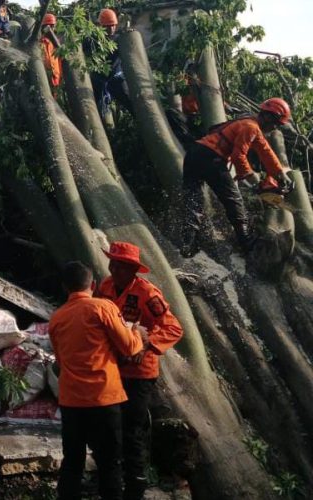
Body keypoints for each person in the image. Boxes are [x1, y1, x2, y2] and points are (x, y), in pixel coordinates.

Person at [95, 242, 184, 500]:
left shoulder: (147, 293)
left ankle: (136, 487)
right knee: (110, 427)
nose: (114, 268)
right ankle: (111, 483)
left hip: (139, 373)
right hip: (112, 368)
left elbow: (173, 327)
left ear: (133, 269)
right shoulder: (106, 287)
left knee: (133, 430)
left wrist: (145, 343)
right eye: (113, 263)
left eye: (121, 266)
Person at [49, 261, 143, 500]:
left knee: (72, 462)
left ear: (64, 287)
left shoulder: (57, 319)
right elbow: (130, 347)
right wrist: (138, 333)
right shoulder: (103, 307)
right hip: (104, 398)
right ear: (92, 284)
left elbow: (60, 363)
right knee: (109, 463)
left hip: (71, 402)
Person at [180, 97, 294, 257]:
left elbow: (265, 151)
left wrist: (280, 173)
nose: (275, 127)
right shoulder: (250, 127)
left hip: (195, 153)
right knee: (234, 201)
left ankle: (188, 243)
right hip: (211, 158)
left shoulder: (250, 124)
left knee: (193, 199)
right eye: (276, 123)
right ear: (268, 116)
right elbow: (238, 156)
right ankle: (247, 244)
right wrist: (253, 180)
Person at [83, 8, 133, 117]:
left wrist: (128, 36)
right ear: (101, 26)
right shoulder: (92, 41)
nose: (111, 28)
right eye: (108, 26)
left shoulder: (118, 39)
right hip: (99, 80)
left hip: (116, 78)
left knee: (129, 102)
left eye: (113, 25)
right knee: (98, 110)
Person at [41, 13, 63, 92]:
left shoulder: (55, 42)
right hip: (46, 78)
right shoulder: (41, 42)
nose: (50, 29)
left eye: (51, 26)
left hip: (56, 78)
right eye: (48, 26)